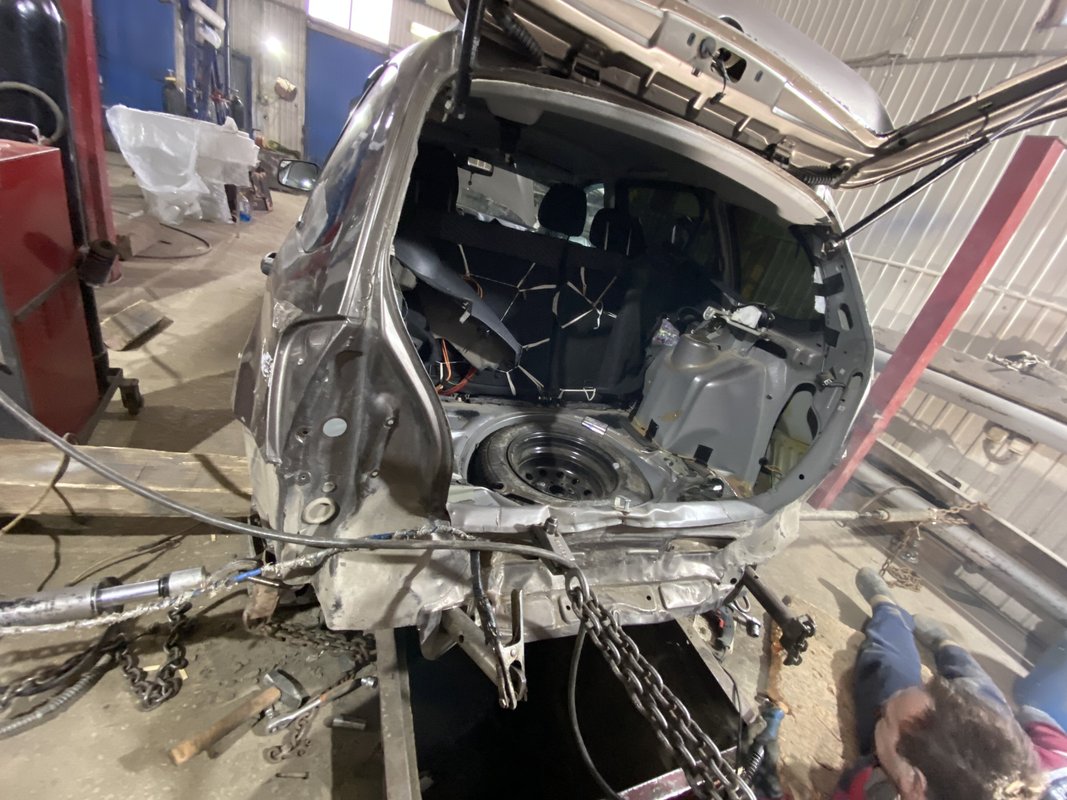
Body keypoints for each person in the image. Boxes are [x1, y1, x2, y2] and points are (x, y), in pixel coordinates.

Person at [833, 568, 1066, 800]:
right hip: (1012, 753)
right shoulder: (1054, 769)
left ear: (914, 783)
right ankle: (948, 646)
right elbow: (1037, 717)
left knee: (888, 669)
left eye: (884, 716)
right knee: (975, 687)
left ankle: (889, 612)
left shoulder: (869, 787)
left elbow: (1032, 714)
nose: (883, 707)